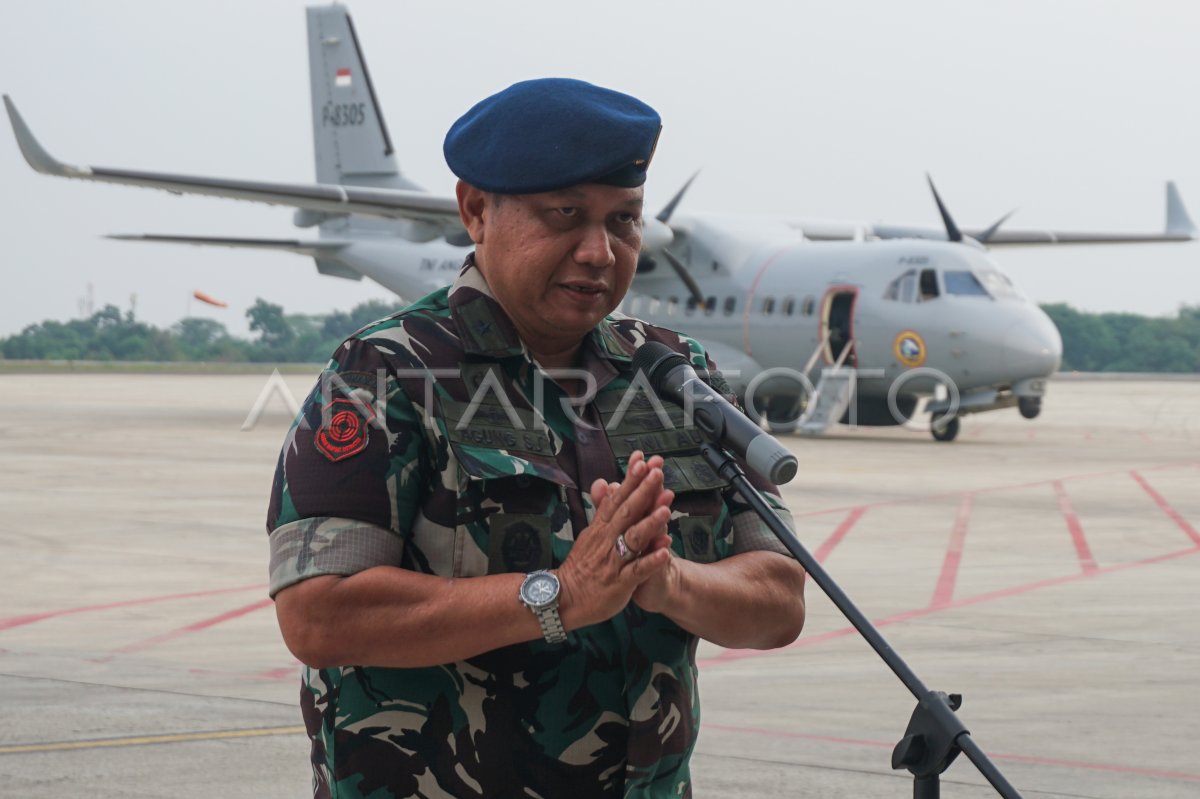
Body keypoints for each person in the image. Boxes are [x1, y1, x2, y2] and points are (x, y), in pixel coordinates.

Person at [267, 77, 807, 799]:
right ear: (475, 210)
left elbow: (779, 598)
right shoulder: (385, 373)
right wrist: (557, 595)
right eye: (565, 214)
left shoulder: (678, 376)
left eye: (623, 221)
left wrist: (673, 583)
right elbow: (319, 613)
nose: (598, 250)